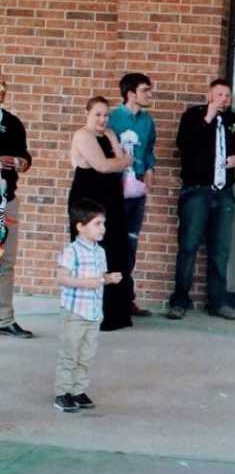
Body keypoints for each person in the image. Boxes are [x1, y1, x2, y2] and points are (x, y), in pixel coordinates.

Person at [166, 79, 235, 321]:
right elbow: (184, 144)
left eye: (227, 95)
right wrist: (207, 118)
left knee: (220, 250)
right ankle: (180, 301)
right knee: (189, 247)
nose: (223, 99)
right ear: (209, 95)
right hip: (197, 191)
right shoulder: (193, 116)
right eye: (219, 94)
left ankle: (218, 302)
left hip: (223, 192)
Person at [68, 96, 132, 331]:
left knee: (115, 252)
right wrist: (123, 160)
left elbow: (119, 159)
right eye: (98, 114)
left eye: (106, 115)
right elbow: (103, 165)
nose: (103, 119)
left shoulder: (110, 134)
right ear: (87, 113)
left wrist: (120, 160)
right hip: (88, 199)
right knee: (89, 255)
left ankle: (115, 314)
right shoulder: (82, 135)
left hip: (111, 198)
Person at [54, 198, 123, 413]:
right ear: (80, 227)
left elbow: (99, 276)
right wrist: (87, 283)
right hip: (74, 312)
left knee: (86, 355)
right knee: (70, 353)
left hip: (93, 313)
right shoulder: (71, 251)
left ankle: (78, 390)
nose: (103, 228)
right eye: (97, 224)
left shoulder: (99, 252)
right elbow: (62, 278)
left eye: (103, 223)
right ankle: (62, 393)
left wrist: (108, 278)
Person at [108, 72, 156, 317]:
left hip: (137, 192)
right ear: (131, 93)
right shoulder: (112, 118)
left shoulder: (148, 121)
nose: (149, 95)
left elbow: (148, 151)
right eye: (145, 90)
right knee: (111, 244)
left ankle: (127, 299)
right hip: (113, 191)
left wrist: (148, 173)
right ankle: (109, 301)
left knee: (130, 245)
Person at [0, 71, 34, 339]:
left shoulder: (12, 123)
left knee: (5, 261)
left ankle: (4, 318)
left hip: (5, 200)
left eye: (3, 87)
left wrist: (21, 162)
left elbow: (24, 155)